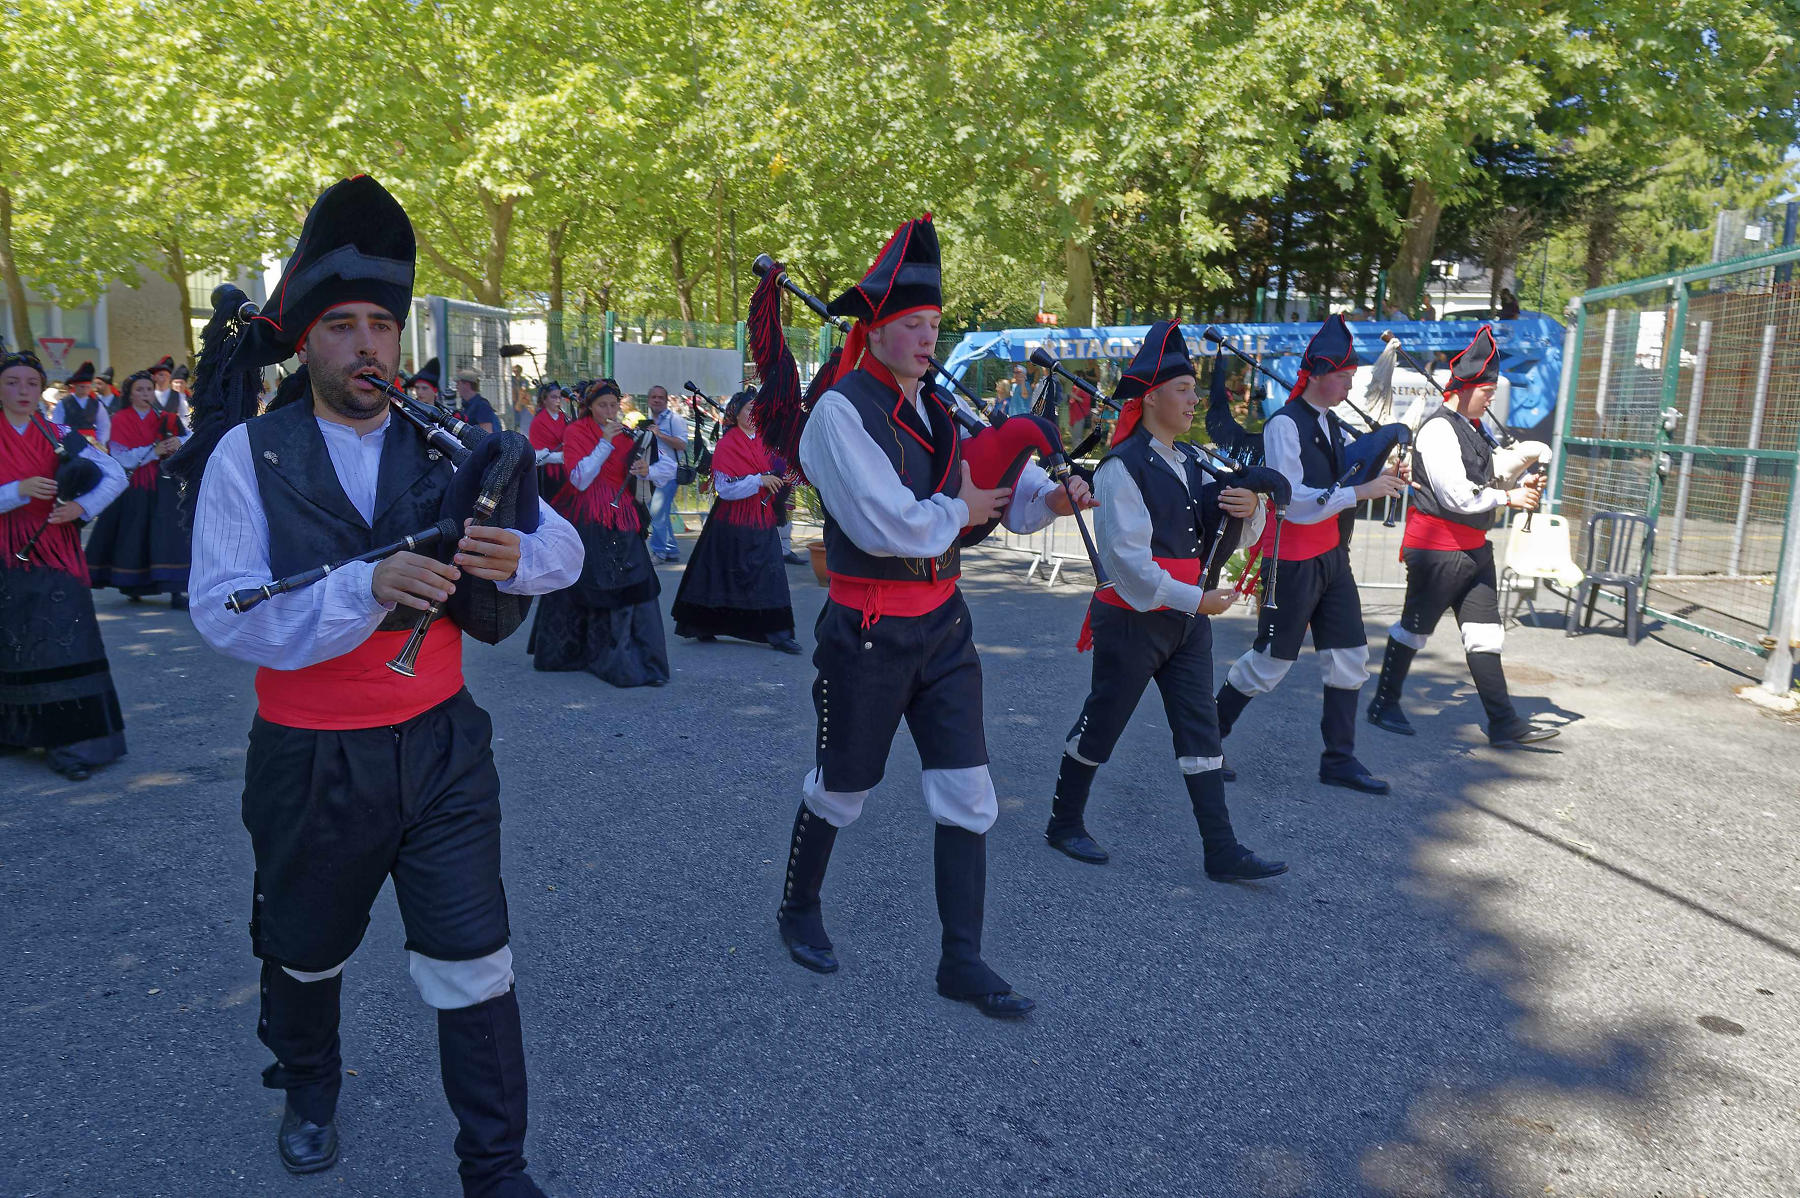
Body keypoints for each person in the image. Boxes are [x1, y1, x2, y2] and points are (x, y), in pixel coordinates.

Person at [177, 175, 579, 1195]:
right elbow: (221, 609)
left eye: (382, 326)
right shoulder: (246, 454)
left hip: (442, 747)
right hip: (310, 757)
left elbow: (565, 549)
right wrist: (363, 586)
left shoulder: (450, 445)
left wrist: (509, 557)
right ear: (306, 340)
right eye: (342, 325)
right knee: (306, 950)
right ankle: (310, 1086)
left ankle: (495, 1169)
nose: (366, 345)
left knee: (474, 960)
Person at [764, 215, 1093, 1018]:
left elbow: (993, 493)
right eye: (911, 324)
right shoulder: (839, 415)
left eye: (935, 325)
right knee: (843, 789)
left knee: (970, 794)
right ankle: (799, 908)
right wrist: (964, 505)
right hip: (868, 632)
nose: (925, 338)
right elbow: (886, 522)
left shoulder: (942, 409)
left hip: (944, 627)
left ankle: (963, 960)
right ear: (872, 331)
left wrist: (1048, 497)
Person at [1046, 322, 1287, 880]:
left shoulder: (1191, 463)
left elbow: (1238, 536)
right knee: (1103, 723)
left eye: (1194, 389)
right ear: (1152, 395)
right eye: (1183, 388)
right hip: (1134, 619)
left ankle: (1221, 850)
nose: (1194, 398)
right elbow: (1128, 566)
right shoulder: (1118, 468)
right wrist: (1196, 601)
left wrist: (1252, 507)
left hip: (1184, 620)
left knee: (1200, 729)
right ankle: (1063, 823)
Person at [1214, 314, 1404, 794]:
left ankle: (1338, 760)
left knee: (1350, 657)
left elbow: (1348, 468)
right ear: (1319, 373)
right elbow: (1292, 501)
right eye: (1343, 376)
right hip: (1293, 560)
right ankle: (1207, 745)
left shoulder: (1325, 421)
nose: (1349, 385)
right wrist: (1363, 492)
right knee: (1270, 664)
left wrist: (1386, 454)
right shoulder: (1284, 425)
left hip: (1331, 560)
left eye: (1351, 378)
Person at [1367, 325, 1559, 748]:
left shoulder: (1471, 427)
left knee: (1486, 635)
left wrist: (1524, 461)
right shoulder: (1438, 429)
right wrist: (1510, 498)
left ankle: (1503, 722)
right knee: (1415, 630)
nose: (1492, 396)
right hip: (1437, 550)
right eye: (1487, 389)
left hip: (1473, 549)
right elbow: (1457, 494)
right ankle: (1383, 702)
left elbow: (1486, 472)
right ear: (1466, 387)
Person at [0, 350, 129, 780]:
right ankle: (14, 732)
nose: (23, 391)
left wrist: (80, 507)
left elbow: (115, 474)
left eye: (31, 384)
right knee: (11, 643)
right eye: (13, 383)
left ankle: (74, 746)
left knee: (64, 642)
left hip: (55, 552)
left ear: (41, 389)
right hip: (5, 551)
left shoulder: (58, 431)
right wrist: (17, 489)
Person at [529, 380, 671, 687]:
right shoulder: (576, 431)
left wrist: (644, 470)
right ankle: (579, 653)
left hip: (621, 513)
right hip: (586, 513)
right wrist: (604, 443)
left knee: (636, 583)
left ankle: (641, 658)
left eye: (613, 405)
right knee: (582, 582)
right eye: (602, 405)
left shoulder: (625, 434)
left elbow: (662, 471)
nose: (609, 411)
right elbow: (579, 479)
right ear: (589, 407)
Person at [670, 390, 802, 653]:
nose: (753, 415)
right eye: (748, 410)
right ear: (736, 414)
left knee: (768, 575)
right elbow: (726, 489)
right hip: (732, 521)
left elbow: (779, 468)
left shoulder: (765, 440)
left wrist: (784, 477)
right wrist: (758, 480)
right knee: (722, 574)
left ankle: (778, 634)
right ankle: (705, 625)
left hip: (761, 518)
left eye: (756, 410)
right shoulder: (727, 444)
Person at [84, 368, 191, 607]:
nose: (145, 393)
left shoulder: (167, 417)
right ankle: (132, 583)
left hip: (164, 483)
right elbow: (121, 457)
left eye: (149, 389)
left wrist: (177, 442)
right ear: (130, 395)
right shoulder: (120, 419)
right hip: (134, 486)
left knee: (169, 534)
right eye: (139, 390)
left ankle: (175, 591)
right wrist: (154, 451)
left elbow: (189, 438)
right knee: (133, 534)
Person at [642, 384, 689, 562]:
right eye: (653, 397)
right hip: (650, 473)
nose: (657, 400)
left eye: (661, 397)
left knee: (656, 511)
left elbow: (682, 444)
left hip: (669, 474)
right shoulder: (646, 419)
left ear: (666, 400)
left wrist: (659, 434)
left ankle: (659, 551)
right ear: (648, 400)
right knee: (660, 512)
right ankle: (671, 549)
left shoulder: (674, 420)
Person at [528, 380, 569, 507]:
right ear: (544, 400)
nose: (558, 400)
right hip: (546, 473)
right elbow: (536, 452)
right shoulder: (538, 421)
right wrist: (559, 457)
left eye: (559, 397)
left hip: (565, 470)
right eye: (553, 397)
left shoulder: (565, 418)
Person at [53, 360, 112, 447]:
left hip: (91, 444)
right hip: (70, 442)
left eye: (87, 387)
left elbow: (103, 425)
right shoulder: (63, 403)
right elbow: (57, 424)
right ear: (75, 386)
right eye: (82, 387)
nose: (85, 389)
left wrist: (100, 442)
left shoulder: (97, 404)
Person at [453, 368, 499, 434]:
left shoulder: (482, 406)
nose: (457, 387)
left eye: (458, 383)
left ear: (467, 384)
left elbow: (486, 434)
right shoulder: (467, 406)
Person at [508, 364, 533, 431]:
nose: (516, 372)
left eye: (517, 370)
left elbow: (524, 390)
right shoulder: (511, 379)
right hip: (513, 401)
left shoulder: (524, 381)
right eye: (515, 370)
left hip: (521, 402)